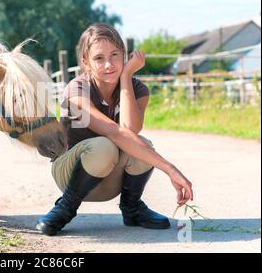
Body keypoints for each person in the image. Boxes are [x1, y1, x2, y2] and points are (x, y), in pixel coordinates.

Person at [36, 23, 193, 236]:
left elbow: (130, 129)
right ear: (85, 62)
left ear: (124, 56)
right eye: (99, 58)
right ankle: (65, 208)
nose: (109, 64)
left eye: (115, 55)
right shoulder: (77, 89)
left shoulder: (138, 89)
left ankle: (132, 208)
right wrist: (170, 169)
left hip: (110, 179)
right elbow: (114, 131)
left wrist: (126, 76)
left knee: (142, 145)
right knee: (105, 144)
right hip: (70, 173)